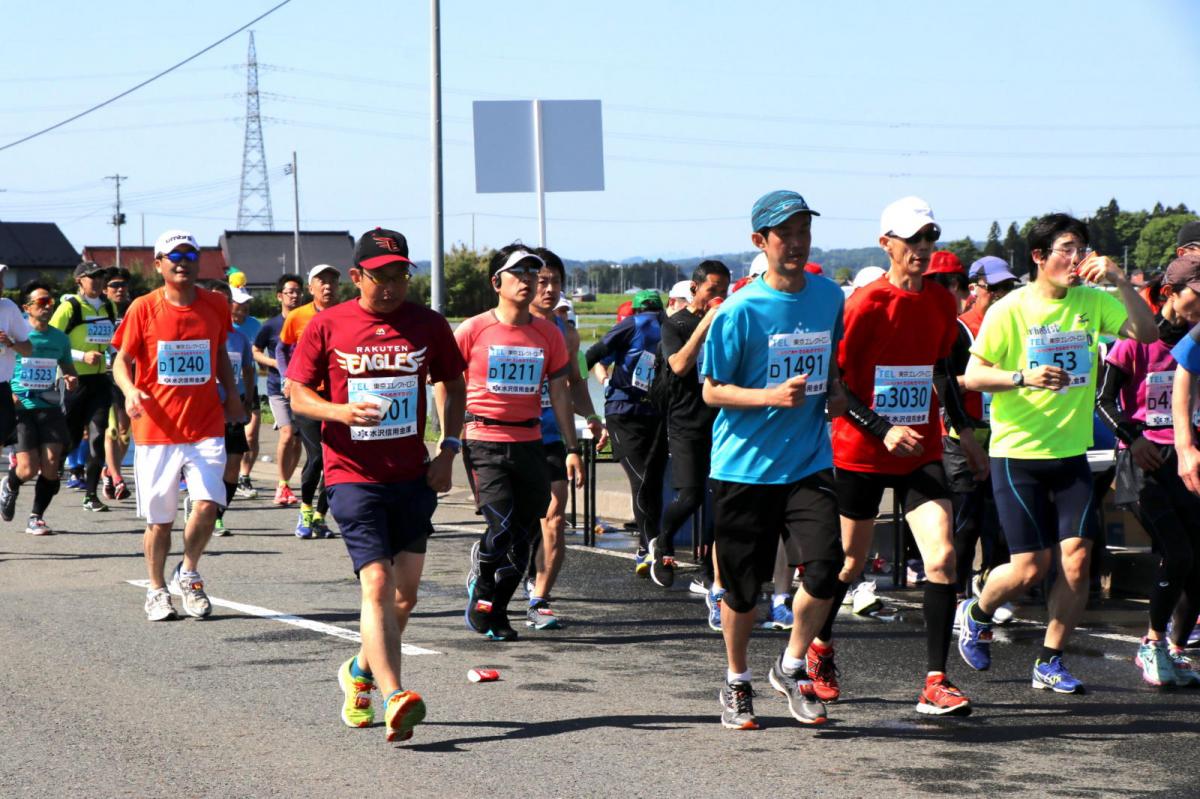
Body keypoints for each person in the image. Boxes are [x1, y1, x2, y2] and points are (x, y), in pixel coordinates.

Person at [959, 213, 1157, 693]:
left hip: (1071, 454)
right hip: (1017, 453)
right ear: (1039, 257)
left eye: (1082, 248)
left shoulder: (1092, 301)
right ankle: (978, 610)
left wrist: (1116, 281)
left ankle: (1051, 659)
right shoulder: (1010, 309)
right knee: (1031, 567)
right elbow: (972, 375)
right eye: (1066, 248)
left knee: (1075, 562)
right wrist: (1022, 377)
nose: (1076, 258)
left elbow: (1146, 335)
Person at [289, 227, 465, 744]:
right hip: (352, 474)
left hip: (411, 473)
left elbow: (452, 383)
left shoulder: (428, 324)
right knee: (378, 585)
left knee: (405, 597)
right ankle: (395, 696)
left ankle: (359, 672)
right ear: (356, 276)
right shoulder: (328, 324)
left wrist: (448, 449)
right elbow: (297, 394)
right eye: (379, 275)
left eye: (399, 275)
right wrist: (339, 410)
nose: (390, 285)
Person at [825, 196, 986, 716]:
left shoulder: (941, 302)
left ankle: (936, 682)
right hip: (862, 450)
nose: (921, 249)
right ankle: (819, 648)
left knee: (942, 558)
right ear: (886, 243)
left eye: (929, 239)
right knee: (849, 563)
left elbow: (941, 371)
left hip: (921, 449)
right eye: (911, 239)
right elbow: (839, 386)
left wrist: (964, 433)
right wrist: (883, 428)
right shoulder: (865, 304)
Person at [701, 190, 847, 729]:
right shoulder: (739, 310)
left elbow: (833, 368)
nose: (796, 242)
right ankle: (737, 680)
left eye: (804, 231)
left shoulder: (830, 297)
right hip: (743, 466)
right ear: (759, 242)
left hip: (808, 460)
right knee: (743, 590)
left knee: (828, 566)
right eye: (784, 233)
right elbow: (713, 392)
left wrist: (833, 392)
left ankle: (789, 666)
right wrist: (769, 396)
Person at [112, 230, 245, 621]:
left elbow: (219, 350)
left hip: (205, 425)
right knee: (161, 520)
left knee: (207, 504)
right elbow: (121, 360)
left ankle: (188, 571)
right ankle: (156, 590)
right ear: (158, 264)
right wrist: (130, 390)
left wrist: (233, 395)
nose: (182, 261)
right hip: (156, 429)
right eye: (174, 255)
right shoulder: (143, 308)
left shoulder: (216, 304)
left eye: (190, 253)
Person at [457, 244, 583, 641]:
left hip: (529, 440)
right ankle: (484, 581)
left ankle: (497, 609)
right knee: (503, 526)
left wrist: (572, 447)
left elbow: (561, 391)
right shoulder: (473, 329)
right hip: (483, 438)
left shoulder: (549, 332)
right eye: (520, 273)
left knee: (527, 533)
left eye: (534, 273)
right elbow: (445, 383)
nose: (528, 280)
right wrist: (447, 436)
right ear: (497, 283)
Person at [1097, 254, 1200, 687]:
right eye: (1197, 294)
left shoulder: (1197, 340)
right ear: (1170, 294)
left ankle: (1176, 648)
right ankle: (1152, 642)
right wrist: (1133, 437)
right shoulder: (1137, 338)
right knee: (1176, 553)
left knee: (1197, 559)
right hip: (1141, 462)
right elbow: (1102, 400)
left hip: (1184, 459)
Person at [520, 246, 605, 630]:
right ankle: (493, 569)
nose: (549, 289)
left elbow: (576, 385)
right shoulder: (500, 328)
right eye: (541, 281)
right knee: (517, 524)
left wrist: (590, 417)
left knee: (554, 518)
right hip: (508, 437)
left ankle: (539, 598)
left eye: (555, 281)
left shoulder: (568, 334)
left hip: (552, 436)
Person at [651, 260, 730, 591]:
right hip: (685, 423)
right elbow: (680, 365)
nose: (718, 297)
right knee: (690, 497)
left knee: (723, 497)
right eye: (713, 290)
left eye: (724, 291)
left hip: (721, 421)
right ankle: (663, 543)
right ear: (695, 288)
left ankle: (710, 571)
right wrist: (705, 323)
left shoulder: (726, 323)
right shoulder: (676, 324)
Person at [952, 256, 1019, 611]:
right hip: (964, 432)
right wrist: (978, 380)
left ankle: (991, 583)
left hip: (1005, 431)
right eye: (994, 288)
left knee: (1002, 520)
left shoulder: (1018, 323)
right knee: (967, 522)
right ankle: (957, 593)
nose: (1002, 295)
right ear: (976, 288)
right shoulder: (960, 329)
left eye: (1007, 288)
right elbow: (945, 384)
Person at [586, 290, 668, 576]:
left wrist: (600, 380)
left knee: (648, 481)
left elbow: (593, 355)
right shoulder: (663, 324)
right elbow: (597, 357)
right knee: (646, 480)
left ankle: (648, 548)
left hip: (640, 411)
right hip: (636, 413)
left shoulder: (636, 324)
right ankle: (652, 546)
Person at [0, 282, 77, 534]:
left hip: (50, 406)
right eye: (41, 303)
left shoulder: (60, 338)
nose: (47, 307)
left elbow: (67, 367)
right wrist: (10, 392)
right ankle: (10, 484)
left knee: (52, 464)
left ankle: (36, 516)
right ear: (27, 308)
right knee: (28, 468)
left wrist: (70, 378)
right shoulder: (20, 332)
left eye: (50, 302)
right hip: (21, 406)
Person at [50, 260, 119, 512]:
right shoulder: (69, 308)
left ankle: (91, 495)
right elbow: (51, 342)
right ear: (79, 281)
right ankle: (54, 468)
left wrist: (117, 354)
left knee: (99, 434)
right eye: (92, 277)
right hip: (73, 379)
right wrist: (81, 356)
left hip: (100, 379)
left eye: (101, 277)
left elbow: (112, 339)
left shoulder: (109, 306)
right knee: (71, 437)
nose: (98, 281)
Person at [278, 264, 341, 537]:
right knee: (317, 456)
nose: (327, 286)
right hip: (307, 395)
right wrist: (287, 377)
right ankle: (305, 510)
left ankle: (320, 515)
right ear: (311, 287)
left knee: (335, 458)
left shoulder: (347, 315)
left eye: (332, 282)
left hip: (338, 398)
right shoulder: (297, 316)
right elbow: (282, 348)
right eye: (321, 281)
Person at [201, 281, 256, 536]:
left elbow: (247, 368)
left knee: (233, 464)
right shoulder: (198, 332)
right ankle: (201, 506)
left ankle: (218, 513)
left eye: (225, 300)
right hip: (203, 411)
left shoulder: (239, 338)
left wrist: (247, 397)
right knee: (210, 464)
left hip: (231, 409)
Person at [253, 274, 304, 506]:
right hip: (277, 387)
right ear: (279, 296)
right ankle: (282, 484)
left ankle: (286, 483)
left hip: (303, 388)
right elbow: (255, 351)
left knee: (298, 439)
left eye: (297, 291)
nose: (294, 295)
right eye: (290, 291)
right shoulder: (271, 325)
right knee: (287, 433)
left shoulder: (308, 320)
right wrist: (275, 363)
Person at [101, 268, 133, 501]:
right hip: (104, 375)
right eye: (114, 285)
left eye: (123, 285)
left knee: (124, 434)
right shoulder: (100, 311)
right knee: (111, 431)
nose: (120, 289)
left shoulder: (135, 308)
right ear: (105, 289)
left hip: (129, 377)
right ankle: (117, 477)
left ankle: (109, 470)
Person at [231, 285, 262, 500]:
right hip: (226, 391)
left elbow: (257, 356)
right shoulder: (222, 327)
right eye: (239, 303)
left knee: (251, 435)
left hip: (249, 387)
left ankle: (244, 476)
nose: (244, 307)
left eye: (247, 304)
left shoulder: (255, 325)